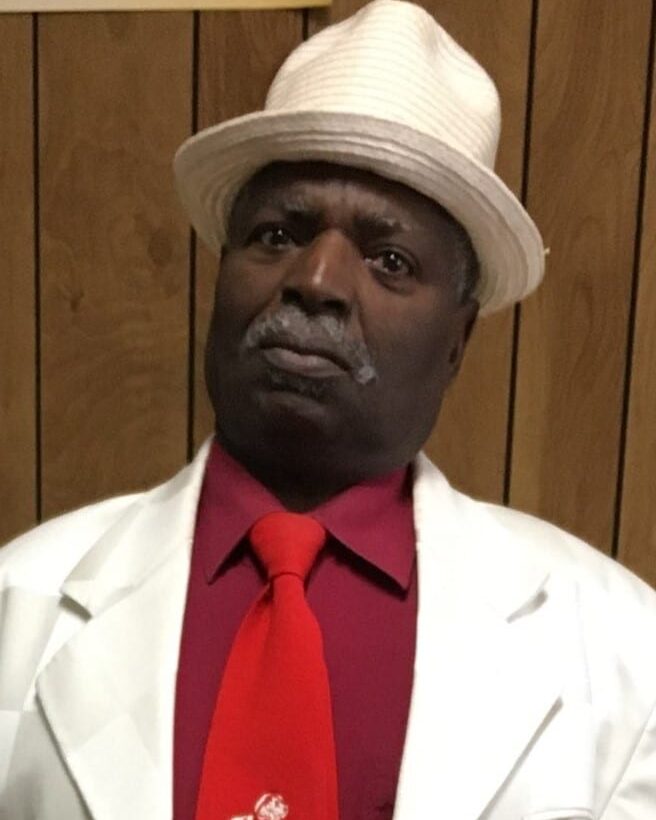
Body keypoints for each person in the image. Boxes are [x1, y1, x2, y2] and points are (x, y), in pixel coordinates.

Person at [1, 1, 655, 818]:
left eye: (390, 260)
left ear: (458, 340)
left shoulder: (624, 650)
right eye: (277, 236)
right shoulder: (17, 602)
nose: (315, 281)